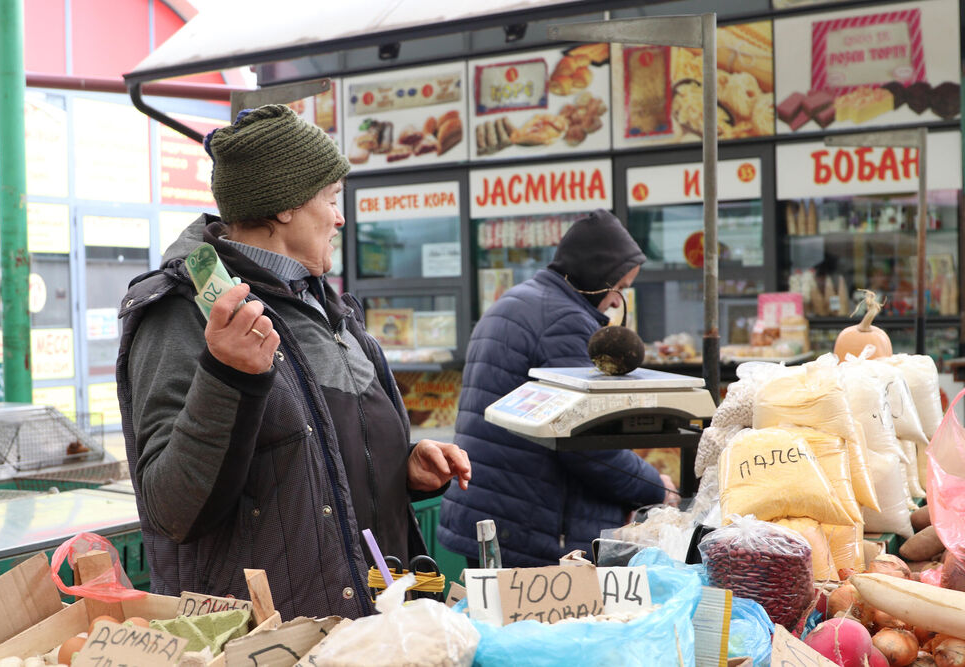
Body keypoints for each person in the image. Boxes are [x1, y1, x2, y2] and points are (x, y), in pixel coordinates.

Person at [116, 105, 471, 621]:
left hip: (380, 621)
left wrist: (402, 467)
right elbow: (172, 510)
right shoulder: (183, 311)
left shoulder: (324, 302)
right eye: (331, 199)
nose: (341, 217)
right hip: (279, 639)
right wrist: (227, 374)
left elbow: (311, 455)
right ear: (284, 208)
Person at [437, 209, 677, 567]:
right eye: (619, 289)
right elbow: (586, 443)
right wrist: (656, 487)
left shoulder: (517, 301)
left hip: (496, 517)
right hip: (533, 527)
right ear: (598, 276)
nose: (615, 303)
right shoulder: (564, 322)